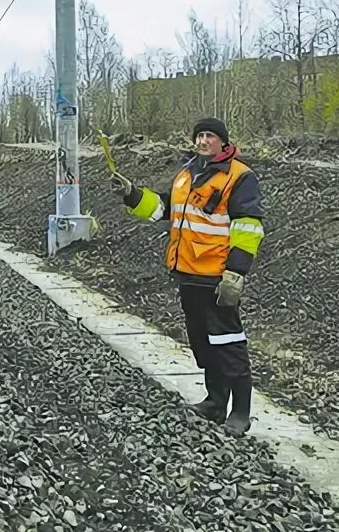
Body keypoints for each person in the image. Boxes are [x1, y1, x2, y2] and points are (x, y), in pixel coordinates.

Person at [111, 117, 264, 436]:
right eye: (200, 135)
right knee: (204, 342)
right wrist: (133, 195)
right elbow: (165, 210)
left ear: (223, 142)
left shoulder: (239, 177)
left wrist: (236, 273)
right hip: (187, 273)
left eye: (209, 136)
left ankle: (241, 411)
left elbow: (248, 226)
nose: (203, 141)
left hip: (217, 276)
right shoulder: (187, 173)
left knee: (228, 343)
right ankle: (215, 402)